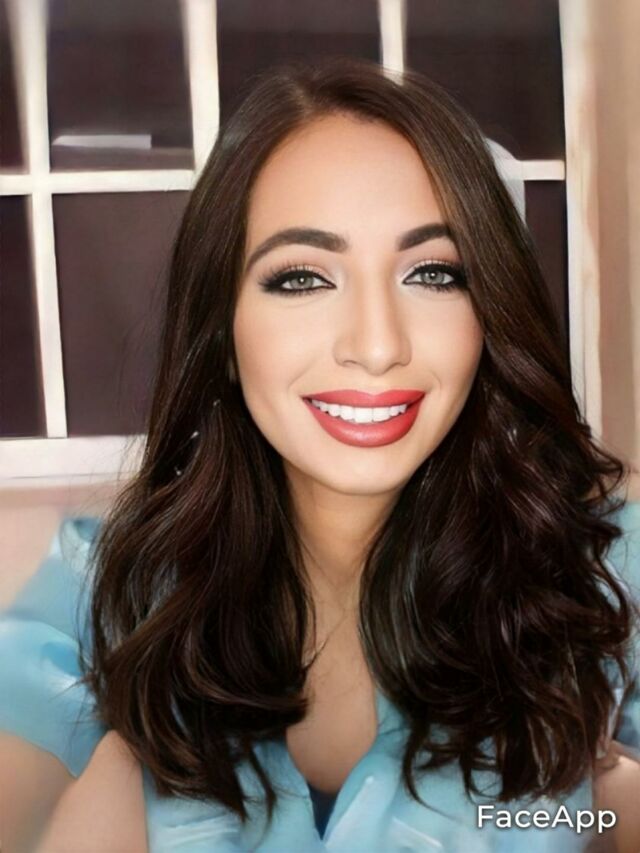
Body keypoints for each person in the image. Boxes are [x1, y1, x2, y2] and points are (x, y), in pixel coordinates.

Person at [1, 57, 639, 853]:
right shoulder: (110, 586)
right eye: (302, 278)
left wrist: (603, 800)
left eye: (433, 272)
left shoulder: (606, 574)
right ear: (222, 332)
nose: (376, 345)